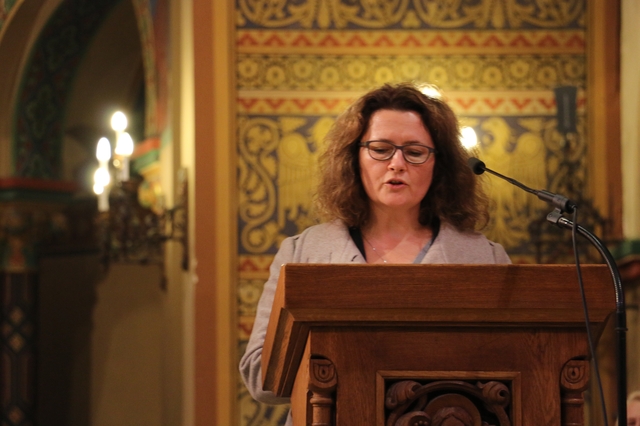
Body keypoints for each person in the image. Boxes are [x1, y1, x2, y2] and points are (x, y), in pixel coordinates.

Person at [239, 82, 511, 425]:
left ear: (438, 164)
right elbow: (258, 377)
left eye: (415, 152)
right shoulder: (302, 252)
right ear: (354, 158)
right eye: (381, 149)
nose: (397, 164)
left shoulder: (484, 257)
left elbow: (512, 368)